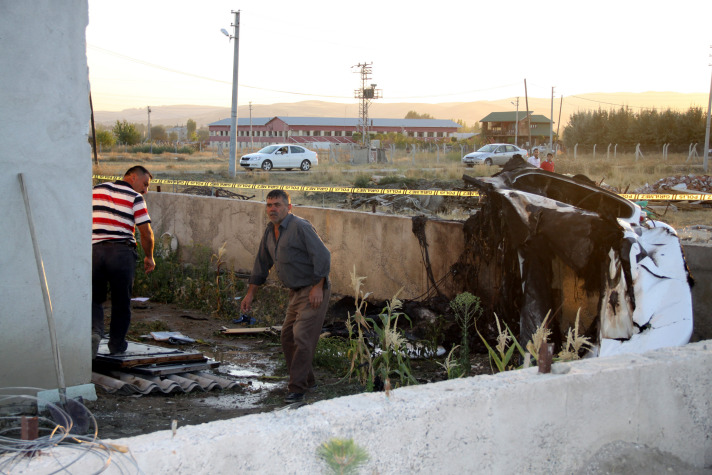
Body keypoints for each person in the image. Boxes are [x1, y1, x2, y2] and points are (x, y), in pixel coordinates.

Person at [241, 189, 331, 404]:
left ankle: (296, 389)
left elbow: (323, 255)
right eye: (269, 205)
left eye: (278, 205)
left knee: (301, 336)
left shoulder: (300, 227)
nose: (273, 209)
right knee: (287, 337)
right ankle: (307, 380)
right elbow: (262, 263)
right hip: (295, 292)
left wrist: (318, 286)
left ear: (289, 207)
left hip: (313, 290)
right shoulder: (270, 231)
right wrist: (250, 294)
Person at [92, 166, 155, 357]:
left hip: (94, 251)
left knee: (95, 298)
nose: (145, 190)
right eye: (145, 184)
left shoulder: (95, 191)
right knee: (121, 301)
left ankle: (94, 333)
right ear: (133, 177)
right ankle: (117, 345)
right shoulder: (135, 198)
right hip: (121, 252)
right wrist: (149, 256)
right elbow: (145, 232)